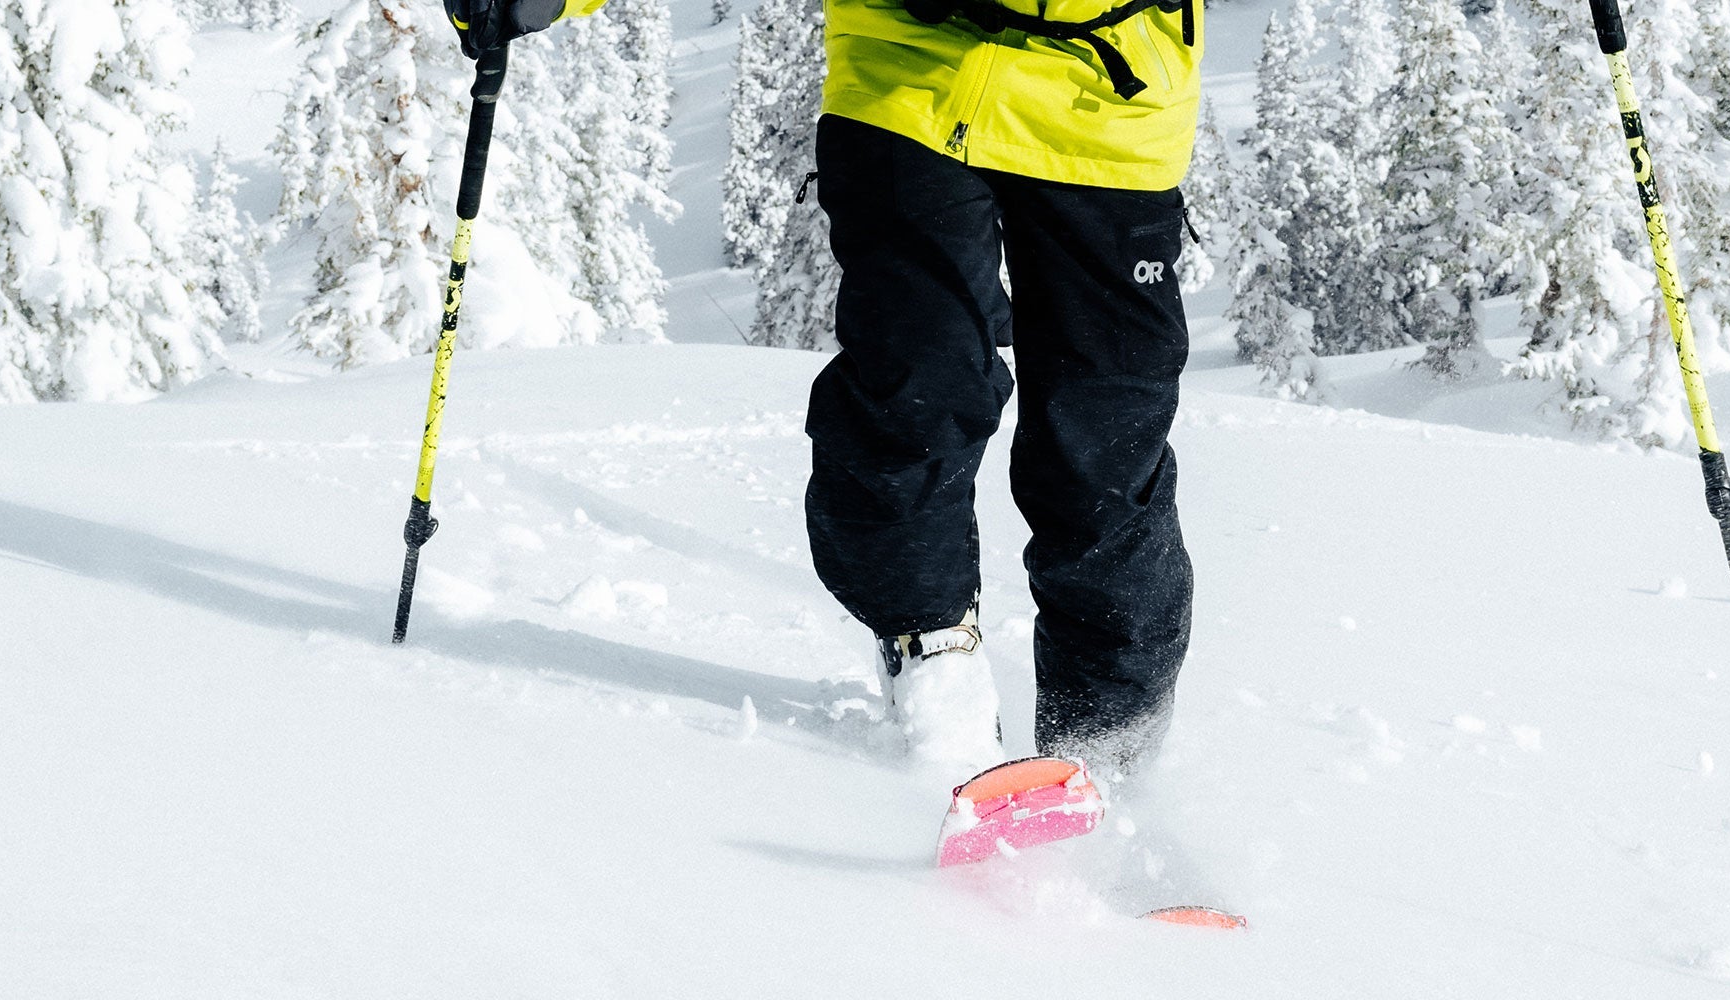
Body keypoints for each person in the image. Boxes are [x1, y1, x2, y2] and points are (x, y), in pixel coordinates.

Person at [450, 0, 1201, 781]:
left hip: (1116, 112)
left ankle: (1110, 754)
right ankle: (934, 666)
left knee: (1106, 445)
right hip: (911, 76)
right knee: (922, 378)